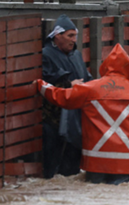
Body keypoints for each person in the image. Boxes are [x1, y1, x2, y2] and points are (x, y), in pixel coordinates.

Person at [35, 43, 129, 185]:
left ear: (106, 66)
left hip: (95, 162)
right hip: (126, 163)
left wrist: (40, 85)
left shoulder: (91, 88)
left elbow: (62, 97)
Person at [41, 14, 93, 178]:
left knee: (72, 169)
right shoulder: (45, 55)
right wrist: (69, 86)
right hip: (54, 121)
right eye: (70, 36)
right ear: (57, 36)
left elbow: (88, 79)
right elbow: (44, 84)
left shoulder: (76, 55)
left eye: (75, 36)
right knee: (53, 167)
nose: (73, 40)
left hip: (77, 121)